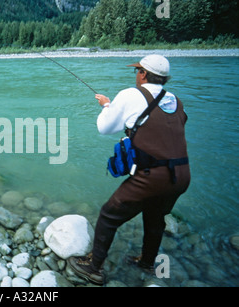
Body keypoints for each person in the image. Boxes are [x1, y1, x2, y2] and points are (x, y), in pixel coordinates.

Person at [68, 55, 191, 286]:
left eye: (137, 71)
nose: (135, 75)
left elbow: (104, 128)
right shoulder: (175, 100)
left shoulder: (130, 95)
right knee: (155, 216)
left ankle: (93, 269)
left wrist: (107, 106)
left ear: (143, 74)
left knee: (108, 215)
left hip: (152, 176)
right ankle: (146, 262)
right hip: (181, 176)